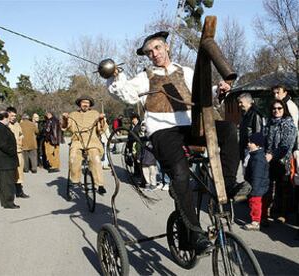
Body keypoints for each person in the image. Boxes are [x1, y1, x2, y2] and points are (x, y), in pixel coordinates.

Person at [106, 31, 248, 254]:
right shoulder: (144, 77)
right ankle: (195, 235)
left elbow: (202, 93)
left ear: (167, 47)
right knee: (180, 174)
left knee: (229, 130)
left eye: (157, 48)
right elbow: (125, 93)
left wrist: (218, 90)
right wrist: (116, 75)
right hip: (163, 131)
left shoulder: (186, 71)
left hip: (189, 126)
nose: (154, 54)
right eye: (149, 52)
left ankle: (229, 185)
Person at [62, 95, 108, 195]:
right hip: (77, 140)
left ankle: (99, 184)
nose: (85, 104)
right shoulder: (73, 114)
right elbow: (66, 126)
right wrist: (65, 118)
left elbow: (101, 130)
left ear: (90, 104)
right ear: (80, 104)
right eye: (83, 102)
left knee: (95, 158)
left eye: (87, 103)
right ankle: (75, 180)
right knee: (73, 156)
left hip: (92, 140)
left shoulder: (95, 113)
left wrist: (101, 119)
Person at [263, 99, 297, 223]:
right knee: (268, 187)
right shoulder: (269, 123)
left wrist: (273, 155)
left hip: (284, 160)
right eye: (274, 108)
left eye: (279, 108)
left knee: (283, 188)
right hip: (269, 159)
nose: (276, 111)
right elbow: (264, 140)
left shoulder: (288, 124)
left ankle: (283, 213)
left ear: (284, 109)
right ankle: (266, 212)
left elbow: (286, 145)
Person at [0, 111, 20, 209]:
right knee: (7, 182)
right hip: (5, 160)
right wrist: (12, 152)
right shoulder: (0, 128)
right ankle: (8, 202)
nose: (10, 120)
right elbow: (3, 145)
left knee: (4, 182)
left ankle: (5, 201)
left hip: (3, 159)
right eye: (9, 118)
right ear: (4, 118)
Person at [243, 133, 270, 231]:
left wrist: (253, 189)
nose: (248, 144)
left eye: (251, 142)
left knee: (255, 203)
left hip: (257, 186)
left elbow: (257, 176)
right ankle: (262, 219)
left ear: (258, 145)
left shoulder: (258, 159)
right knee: (260, 203)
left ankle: (255, 222)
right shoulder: (256, 155)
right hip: (260, 185)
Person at [7, 107, 29, 198]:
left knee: (19, 172)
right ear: (7, 114)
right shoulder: (5, 125)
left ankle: (19, 192)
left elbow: (21, 134)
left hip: (19, 152)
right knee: (9, 173)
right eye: (11, 115)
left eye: (15, 116)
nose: (13, 117)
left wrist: (21, 138)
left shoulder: (17, 124)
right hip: (9, 153)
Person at [237, 92, 264, 161]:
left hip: (251, 149)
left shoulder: (255, 115)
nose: (239, 105)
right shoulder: (245, 115)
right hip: (245, 148)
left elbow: (258, 132)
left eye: (241, 102)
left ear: (248, 102)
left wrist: (254, 146)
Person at [136, 122, 161, 191]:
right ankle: (148, 183)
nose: (143, 128)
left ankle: (153, 184)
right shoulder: (142, 139)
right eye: (142, 126)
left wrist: (150, 145)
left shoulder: (153, 138)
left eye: (145, 126)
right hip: (144, 158)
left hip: (151, 158)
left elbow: (156, 147)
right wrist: (138, 157)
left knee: (152, 172)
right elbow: (140, 149)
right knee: (145, 172)